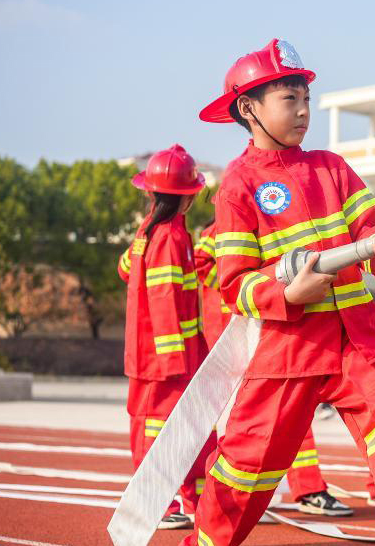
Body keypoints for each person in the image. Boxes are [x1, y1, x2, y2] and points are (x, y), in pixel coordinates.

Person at [184, 39, 375, 545]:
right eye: (290, 99)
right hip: (288, 353)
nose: (305, 111)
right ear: (249, 108)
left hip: (360, 348)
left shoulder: (332, 168)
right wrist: (287, 294)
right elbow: (235, 285)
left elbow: (371, 235)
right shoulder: (238, 186)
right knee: (244, 479)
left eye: (307, 99)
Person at [193, 219, 353, 517]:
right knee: (246, 424)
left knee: (281, 418)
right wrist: (249, 293)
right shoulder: (223, 227)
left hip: (265, 329)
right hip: (240, 334)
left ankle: (301, 489)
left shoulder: (270, 221)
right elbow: (201, 263)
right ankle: (233, 501)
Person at [117, 144, 214, 530]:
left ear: (150, 193)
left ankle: (191, 499)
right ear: (188, 198)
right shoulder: (172, 238)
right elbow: (164, 300)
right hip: (167, 358)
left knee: (170, 426)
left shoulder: (148, 232)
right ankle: (159, 503)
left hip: (151, 354)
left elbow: (125, 270)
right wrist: (177, 360)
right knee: (165, 427)